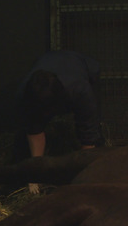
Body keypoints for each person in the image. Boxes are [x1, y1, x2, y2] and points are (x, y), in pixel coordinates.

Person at [17, 50, 103, 193]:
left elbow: (88, 131)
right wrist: (34, 174)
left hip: (83, 65)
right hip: (47, 62)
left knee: (94, 131)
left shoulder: (80, 90)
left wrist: (82, 174)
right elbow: (34, 129)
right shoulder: (25, 94)